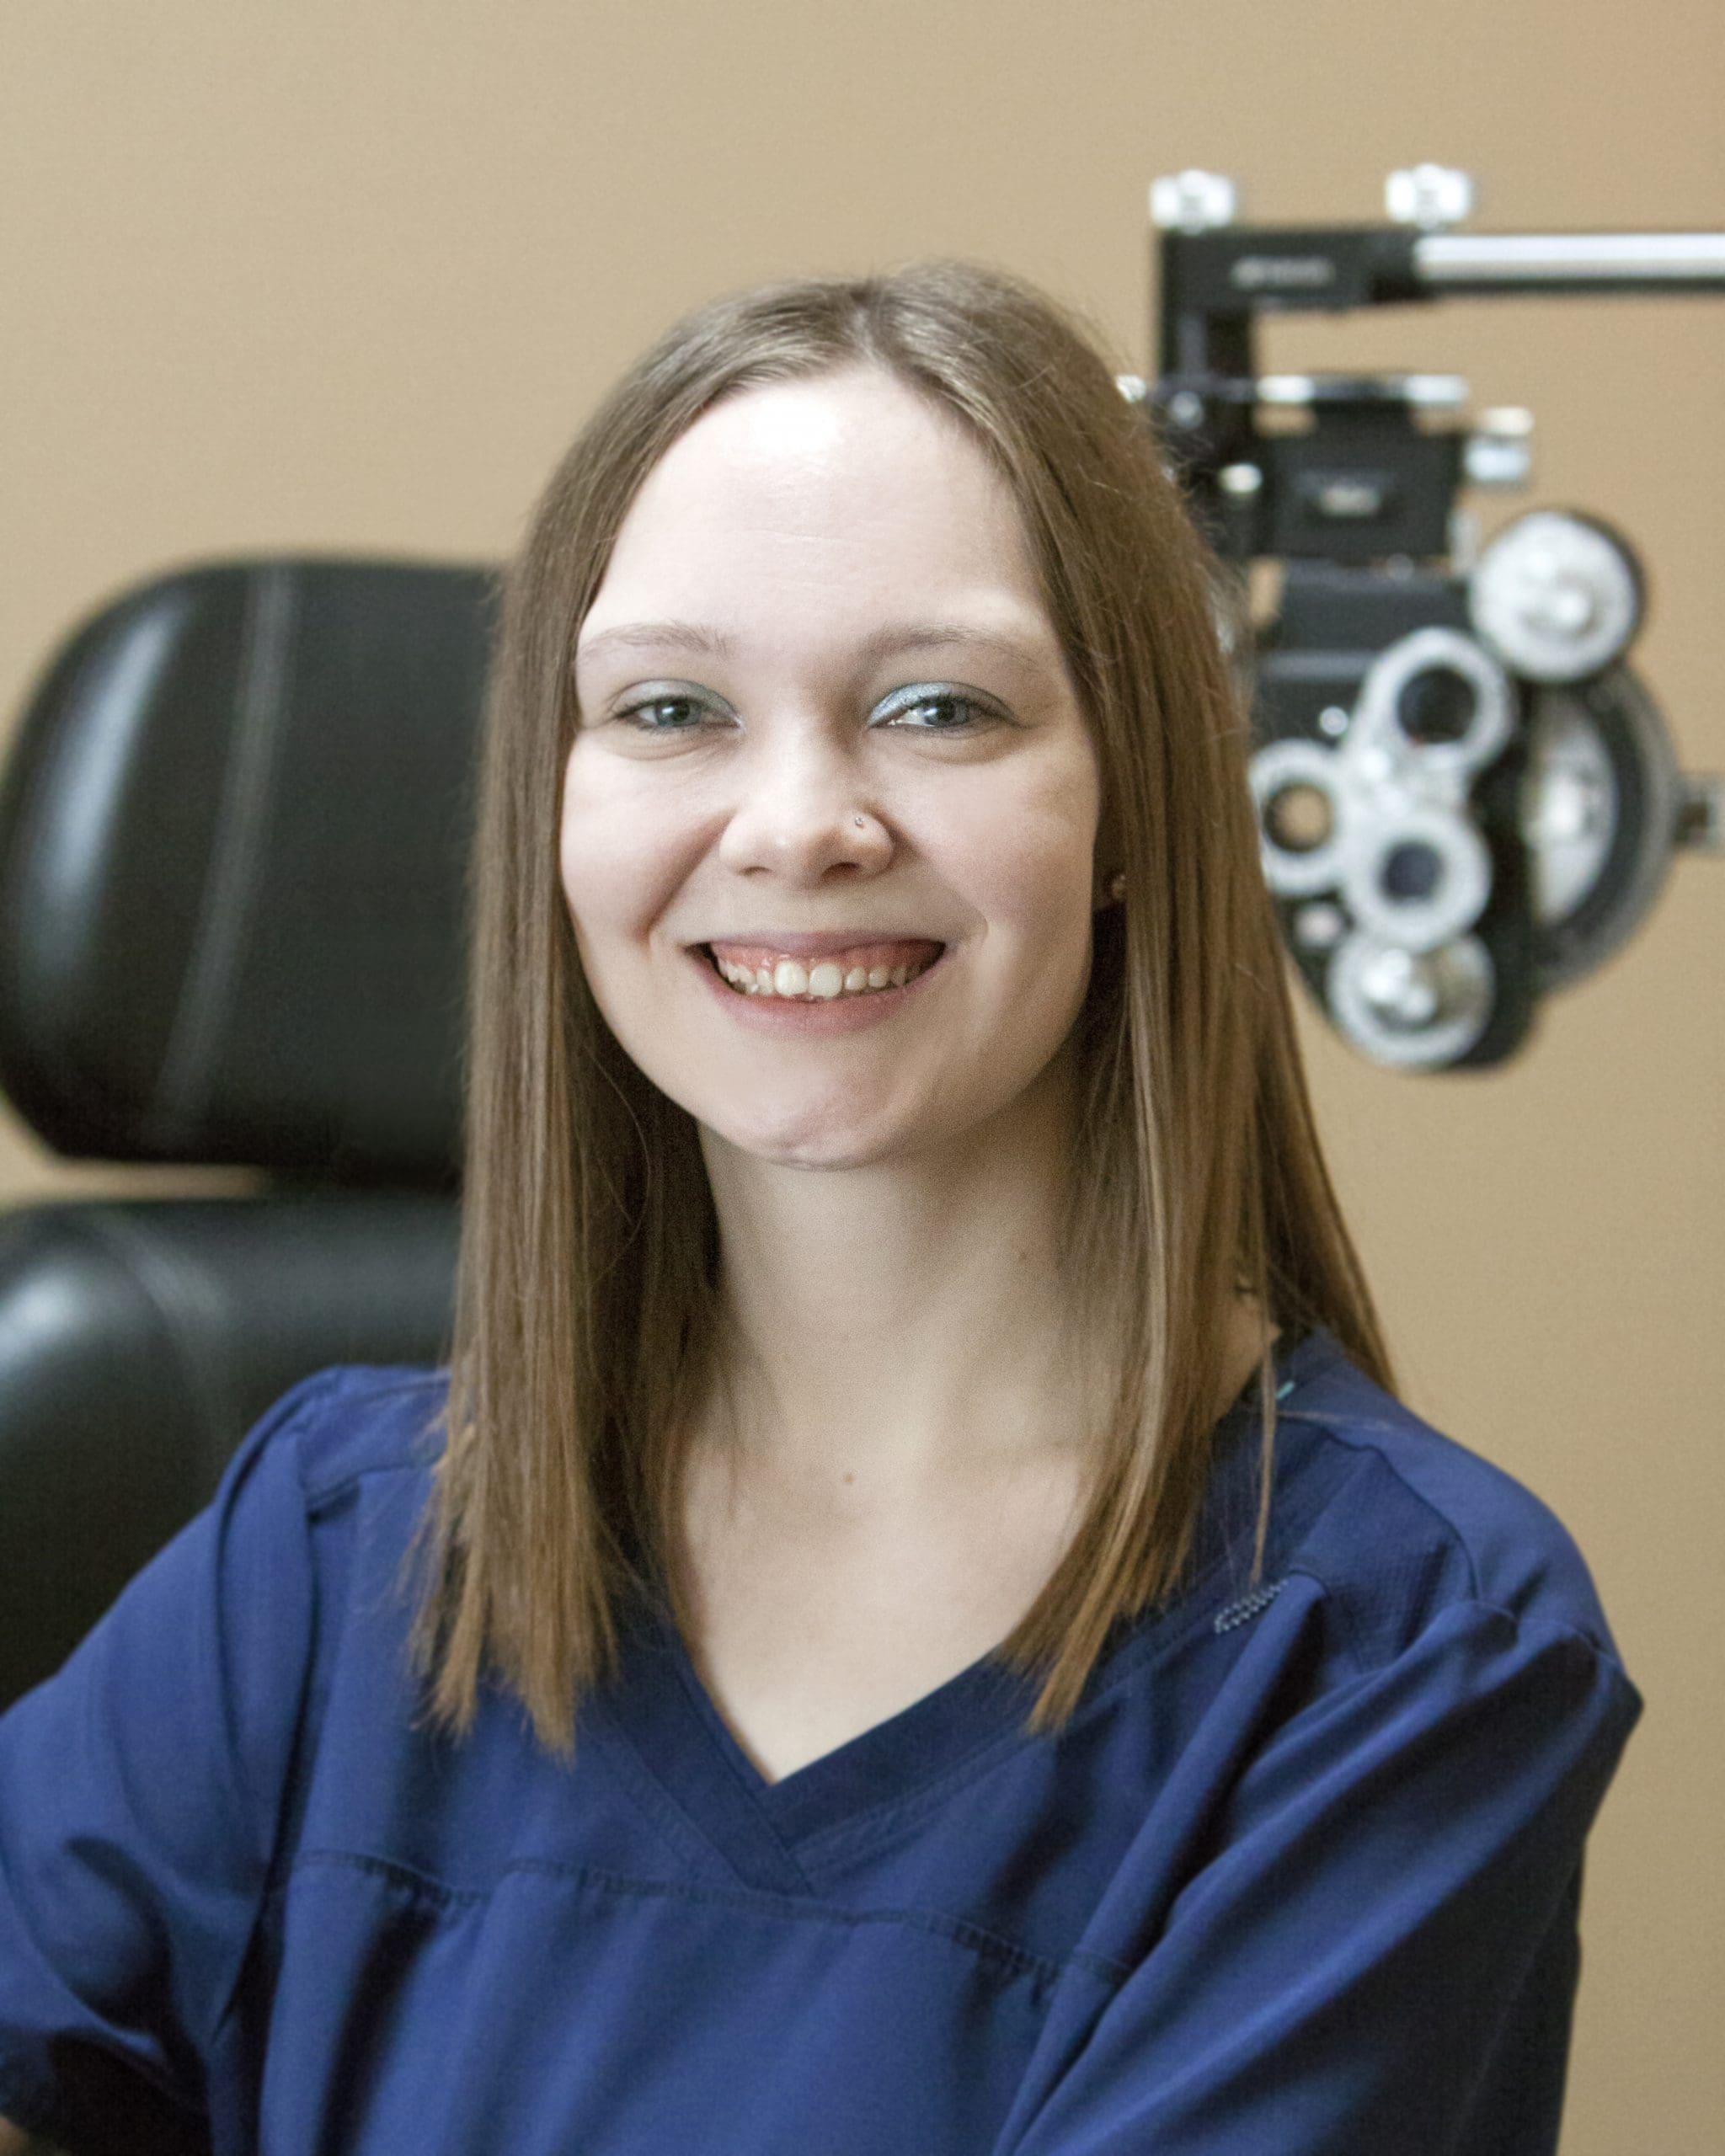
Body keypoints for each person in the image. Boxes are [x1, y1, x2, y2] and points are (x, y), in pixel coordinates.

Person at [0, 263, 1640, 2155]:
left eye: (938, 707)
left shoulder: (1393, 1647)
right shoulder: (329, 1550)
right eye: (672, 705)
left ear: (1133, 810)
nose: (795, 824)